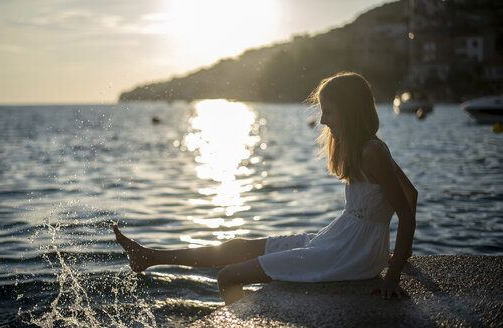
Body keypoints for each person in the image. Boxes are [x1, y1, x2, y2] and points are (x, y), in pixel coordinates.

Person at [113, 72, 417, 305]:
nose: (322, 119)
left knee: (228, 276)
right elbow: (412, 194)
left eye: (329, 111)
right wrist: (394, 253)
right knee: (237, 246)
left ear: (349, 111)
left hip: (348, 254)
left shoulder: (371, 152)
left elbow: (406, 211)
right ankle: (150, 256)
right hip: (340, 242)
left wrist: (392, 274)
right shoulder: (369, 148)